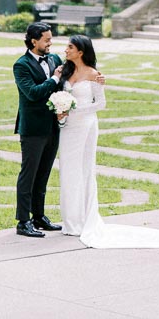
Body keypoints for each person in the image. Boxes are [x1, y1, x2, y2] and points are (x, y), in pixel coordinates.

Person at [55, 34, 159, 250]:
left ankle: (84, 218)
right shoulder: (63, 71)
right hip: (68, 127)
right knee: (68, 169)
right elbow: (57, 93)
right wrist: (61, 110)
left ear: (81, 51)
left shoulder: (94, 74)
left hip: (86, 126)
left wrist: (74, 108)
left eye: (70, 47)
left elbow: (101, 104)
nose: (66, 50)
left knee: (84, 169)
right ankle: (70, 221)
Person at [12, 21, 104, 238]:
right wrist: (53, 78)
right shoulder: (21, 65)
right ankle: (23, 221)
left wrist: (98, 78)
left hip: (56, 126)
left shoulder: (54, 59)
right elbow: (33, 93)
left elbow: (76, 73)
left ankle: (39, 216)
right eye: (47, 40)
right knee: (29, 174)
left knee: (43, 174)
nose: (51, 44)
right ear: (34, 41)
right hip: (33, 128)